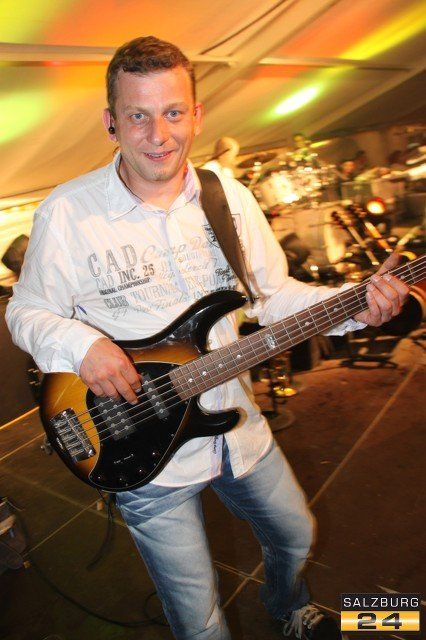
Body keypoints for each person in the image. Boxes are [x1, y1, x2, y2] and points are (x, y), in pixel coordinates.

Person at [6, 36, 409, 640]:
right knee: (201, 623)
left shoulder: (229, 198)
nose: (158, 134)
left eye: (173, 112)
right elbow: (27, 312)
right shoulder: (68, 213)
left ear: (196, 115)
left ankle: (288, 607)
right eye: (138, 116)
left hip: (235, 422)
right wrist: (81, 346)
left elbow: (274, 297)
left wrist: (358, 307)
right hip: (140, 448)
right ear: (110, 122)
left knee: (296, 535)